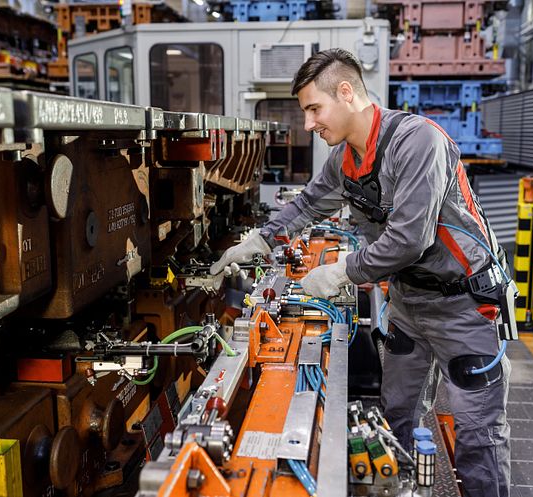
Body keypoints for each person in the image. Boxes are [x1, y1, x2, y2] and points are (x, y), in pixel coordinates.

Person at [210, 48, 511, 497]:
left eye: (314, 108)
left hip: (465, 307)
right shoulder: (345, 160)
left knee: (476, 438)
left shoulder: (418, 142)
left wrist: (340, 273)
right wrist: (259, 240)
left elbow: (410, 239)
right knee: (395, 417)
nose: (309, 124)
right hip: (409, 304)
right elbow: (309, 204)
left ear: (346, 92)